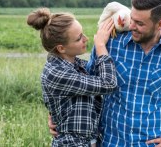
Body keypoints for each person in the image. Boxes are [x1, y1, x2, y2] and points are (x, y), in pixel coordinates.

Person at [49, 0, 161, 146]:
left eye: (139, 23)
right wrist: (58, 116)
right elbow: (85, 85)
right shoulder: (111, 43)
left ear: (160, 24)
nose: (131, 26)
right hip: (109, 141)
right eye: (132, 18)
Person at [27, 8, 117, 147]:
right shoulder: (56, 73)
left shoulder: (76, 64)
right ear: (61, 48)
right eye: (79, 38)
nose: (86, 39)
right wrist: (100, 46)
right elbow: (108, 83)